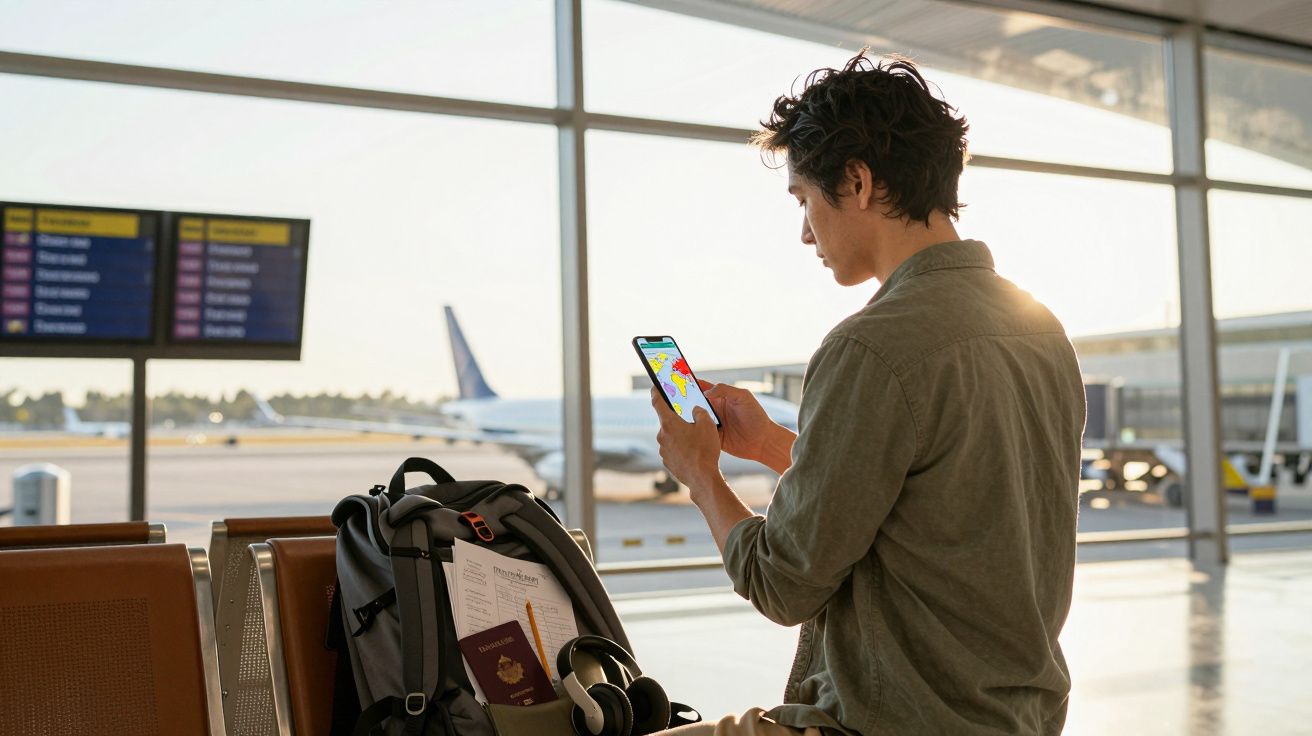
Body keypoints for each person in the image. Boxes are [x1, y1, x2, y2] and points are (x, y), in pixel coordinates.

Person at [648, 51, 1085, 735]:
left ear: (855, 182)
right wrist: (767, 445)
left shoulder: (870, 347)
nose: (803, 231)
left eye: (804, 199)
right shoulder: (1038, 330)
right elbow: (932, 503)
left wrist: (699, 473)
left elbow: (782, 583)